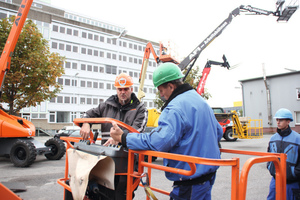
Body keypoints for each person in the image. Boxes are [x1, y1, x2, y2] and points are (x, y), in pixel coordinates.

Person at [109, 62, 223, 200]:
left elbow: (159, 142)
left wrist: (124, 138)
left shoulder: (175, 108)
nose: (161, 95)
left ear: (171, 86)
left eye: (161, 90)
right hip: (208, 175)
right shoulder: (200, 100)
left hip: (191, 180)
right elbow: (218, 131)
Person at [80, 73, 148, 199]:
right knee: (101, 194)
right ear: (116, 89)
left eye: (126, 89)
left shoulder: (140, 109)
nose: (123, 92)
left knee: (121, 195)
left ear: (131, 89)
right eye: (120, 89)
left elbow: (137, 131)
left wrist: (119, 138)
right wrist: (85, 122)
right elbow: (88, 114)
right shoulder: (106, 105)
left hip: (128, 161)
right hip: (106, 161)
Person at [266, 108, 300, 200]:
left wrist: (294, 174)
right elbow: (269, 156)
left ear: (288, 121)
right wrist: (270, 167)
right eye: (277, 120)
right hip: (275, 179)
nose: (278, 122)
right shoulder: (273, 138)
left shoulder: (298, 139)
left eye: (281, 120)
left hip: (292, 182)